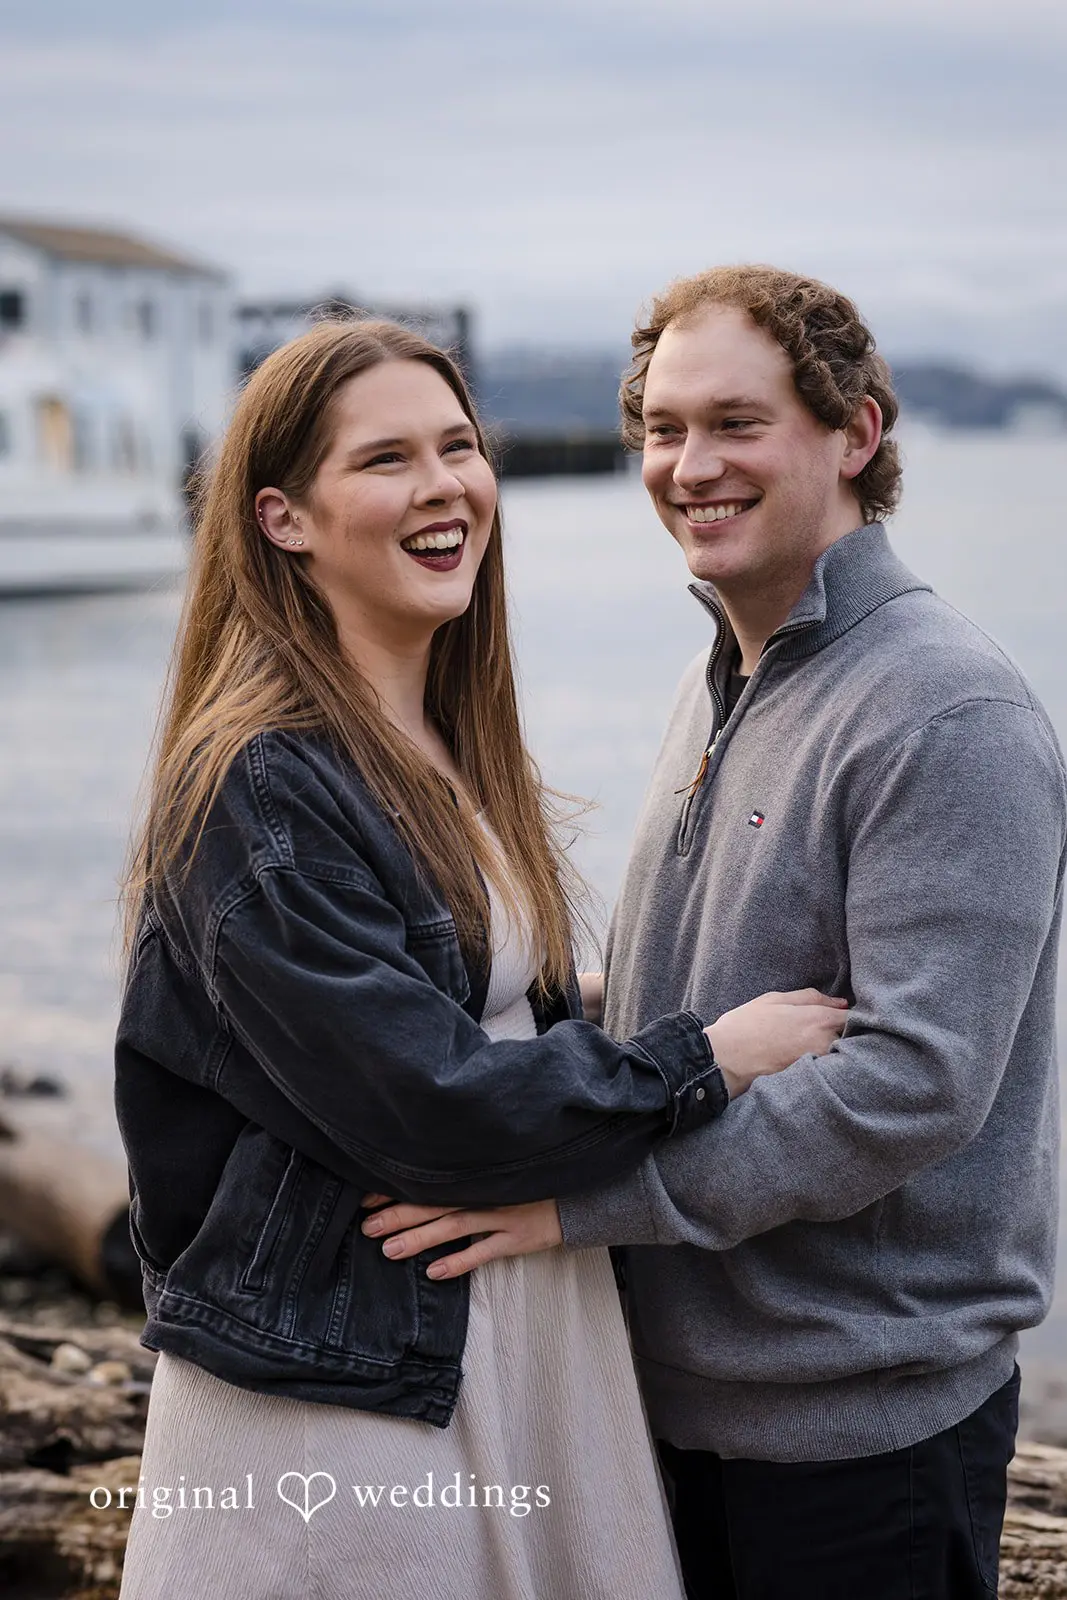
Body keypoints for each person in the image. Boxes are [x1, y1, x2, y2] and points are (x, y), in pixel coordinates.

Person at [113, 317, 846, 1600]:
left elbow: (457, 1010)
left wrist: (628, 1002)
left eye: (457, 446)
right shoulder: (261, 783)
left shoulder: (433, 743)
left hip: (497, 1341)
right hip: (348, 1395)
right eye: (385, 459)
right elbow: (428, 1098)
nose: (443, 485)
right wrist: (705, 1057)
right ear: (283, 519)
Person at [367, 267, 1067, 1599]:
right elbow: (686, 986)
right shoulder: (723, 674)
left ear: (854, 433)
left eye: (737, 423)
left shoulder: (943, 711)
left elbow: (912, 1084)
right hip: (675, 1405)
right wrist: (484, 1022)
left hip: (857, 1431)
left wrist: (571, 1206)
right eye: (663, 428)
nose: (690, 467)